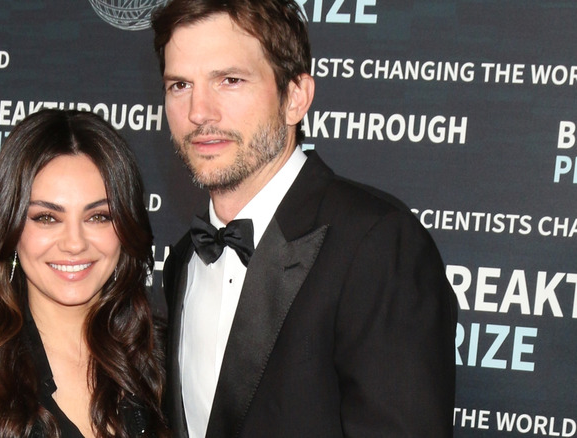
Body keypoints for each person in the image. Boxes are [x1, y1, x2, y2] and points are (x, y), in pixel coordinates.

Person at [151, 1, 458, 437]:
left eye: (230, 80)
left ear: (295, 97)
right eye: (180, 85)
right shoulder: (184, 259)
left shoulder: (376, 245)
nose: (199, 112)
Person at [0, 109, 168, 438]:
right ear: (10, 229)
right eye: (46, 218)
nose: (75, 243)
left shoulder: (170, 360)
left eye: (98, 217)